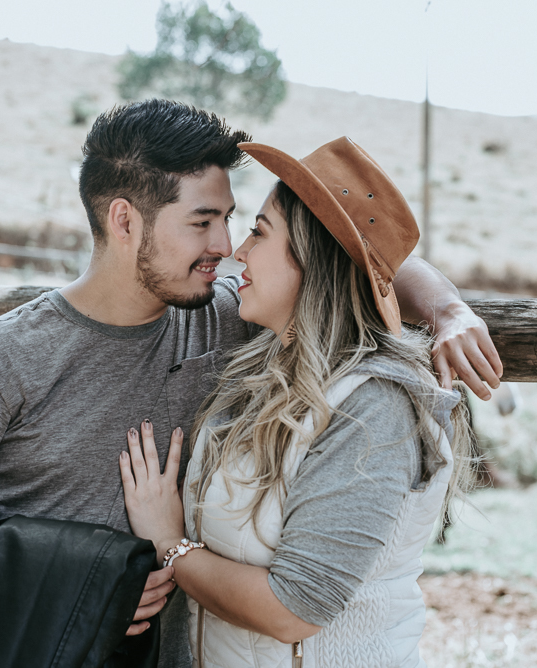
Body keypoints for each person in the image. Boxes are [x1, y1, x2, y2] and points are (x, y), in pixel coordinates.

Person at [0, 101, 502, 668]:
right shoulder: (2, 357)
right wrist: (75, 599)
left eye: (232, 220)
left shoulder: (227, 315)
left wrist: (448, 309)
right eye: (202, 222)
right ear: (124, 220)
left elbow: (353, 246)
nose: (225, 246)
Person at [119, 137, 474, 668]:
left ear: (313, 258)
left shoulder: (374, 408)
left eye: (259, 233)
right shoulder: (258, 363)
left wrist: (169, 542)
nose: (238, 251)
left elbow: (295, 609)